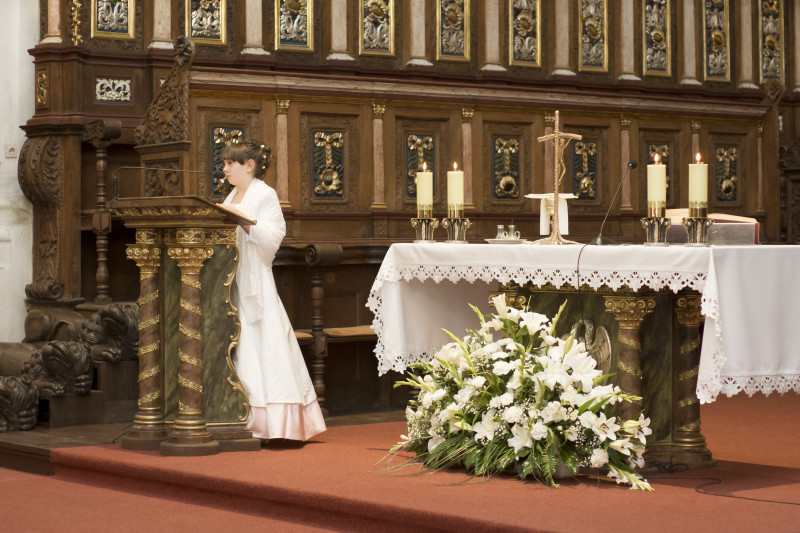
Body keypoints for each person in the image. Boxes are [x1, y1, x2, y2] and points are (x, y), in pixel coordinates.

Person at [220, 139, 326, 443]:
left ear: (249, 166)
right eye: (225, 163)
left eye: (231, 163)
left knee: (265, 346)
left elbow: (273, 236)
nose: (225, 168)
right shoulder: (231, 195)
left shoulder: (265, 194)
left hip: (256, 283)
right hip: (231, 283)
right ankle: (240, 416)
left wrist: (244, 222)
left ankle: (275, 424)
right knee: (240, 347)